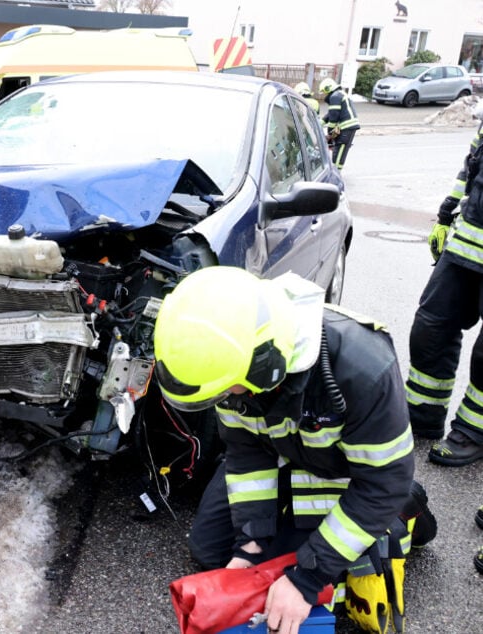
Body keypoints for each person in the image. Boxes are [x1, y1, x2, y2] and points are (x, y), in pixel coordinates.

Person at [153, 266, 435, 634]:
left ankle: (405, 509)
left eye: (227, 391)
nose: (222, 398)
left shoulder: (363, 369)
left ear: (264, 366)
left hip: (353, 475)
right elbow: (247, 454)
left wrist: (307, 577)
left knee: (301, 583)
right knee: (212, 552)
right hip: (287, 455)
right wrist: (250, 540)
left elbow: (382, 481)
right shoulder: (227, 362)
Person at [405, 116, 483, 467]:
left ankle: (474, 431)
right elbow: (470, 168)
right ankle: (422, 416)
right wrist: (446, 214)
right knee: (430, 326)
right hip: (467, 243)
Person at [318, 78, 360, 170]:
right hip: (347, 127)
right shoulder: (339, 94)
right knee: (339, 151)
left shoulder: (335, 96)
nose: (324, 95)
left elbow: (333, 116)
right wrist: (319, 123)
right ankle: (336, 171)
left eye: (324, 92)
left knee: (339, 152)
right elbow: (331, 113)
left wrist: (330, 134)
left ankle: (335, 175)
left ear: (328, 89)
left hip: (346, 127)